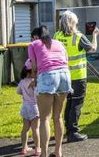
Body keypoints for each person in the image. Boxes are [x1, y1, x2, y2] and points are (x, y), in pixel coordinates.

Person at [54, 10, 99, 143]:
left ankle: (66, 129)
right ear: (73, 22)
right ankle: (73, 132)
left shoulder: (56, 35)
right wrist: (95, 35)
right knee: (76, 103)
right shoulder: (78, 36)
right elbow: (92, 49)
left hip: (62, 75)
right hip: (77, 77)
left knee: (67, 102)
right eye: (76, 21)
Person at [29, 25, 72, 157]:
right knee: (57, 116)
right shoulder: (58, 43)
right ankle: (58, 152)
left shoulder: (33, 44)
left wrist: (35, 79)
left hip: (47, 75)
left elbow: (34, 66)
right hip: (64, 75)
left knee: (44, 119)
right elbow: (66, 60)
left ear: (36, 36)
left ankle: (44, 154)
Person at [17, 59, 40, 156]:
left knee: (25, 128)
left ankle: (24, 148)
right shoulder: (35, 83)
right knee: (35, 129)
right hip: (34, 107)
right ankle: (37, 149)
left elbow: (18, 92)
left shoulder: (22, 82)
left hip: (25, 107)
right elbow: (37, 95)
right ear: (33, 71)